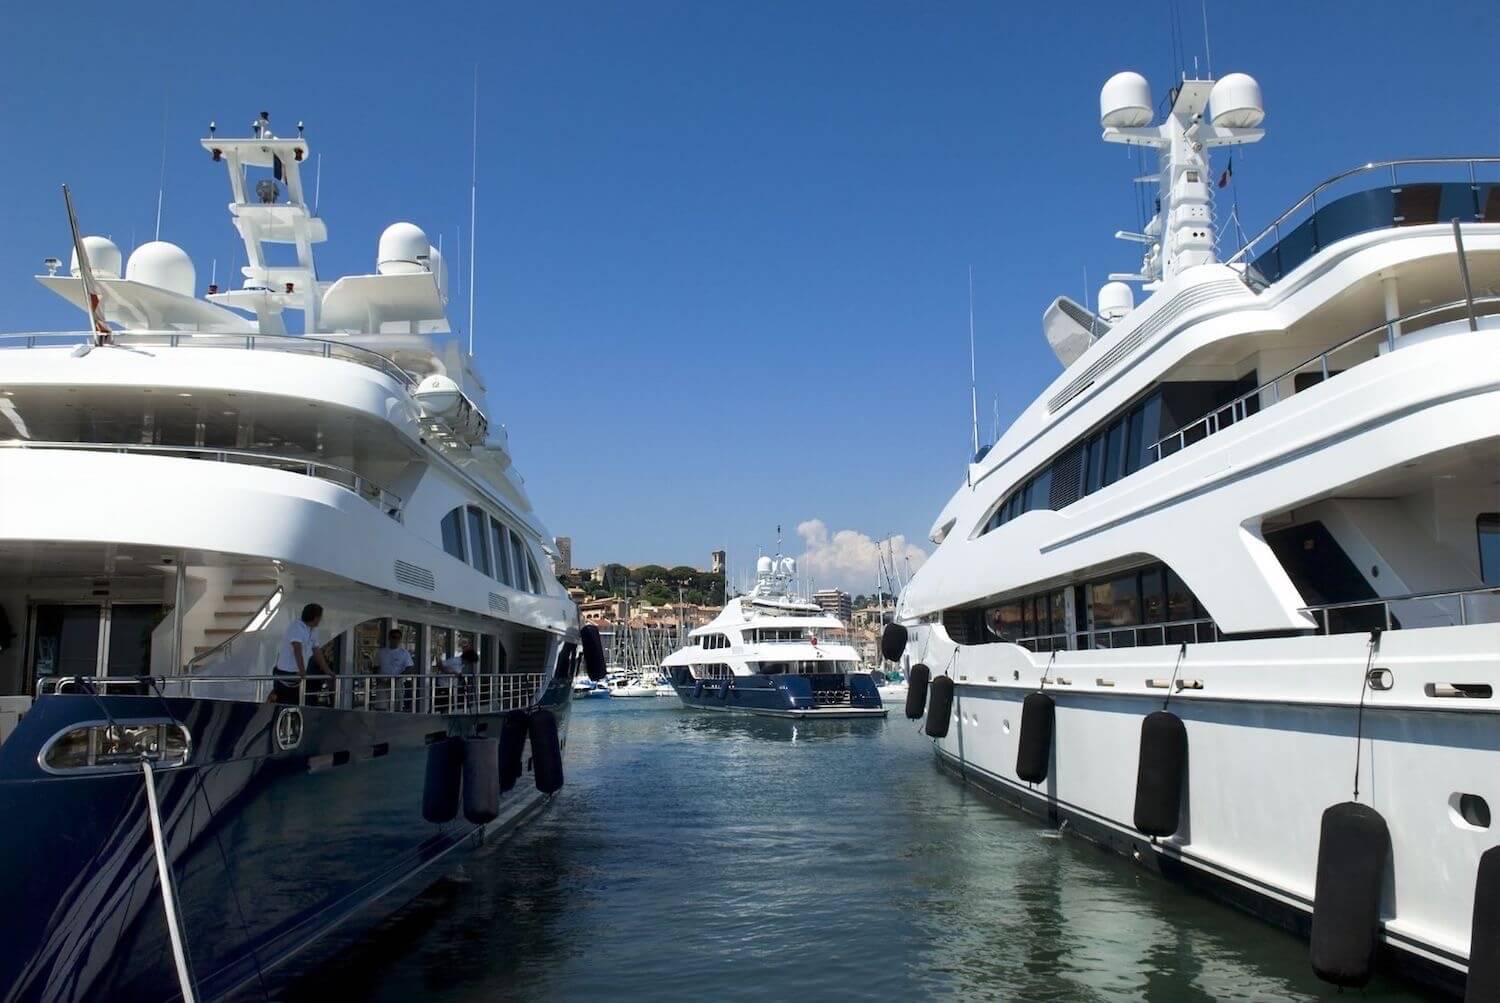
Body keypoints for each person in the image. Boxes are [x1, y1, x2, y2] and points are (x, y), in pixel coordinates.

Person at [271, 603, 333, 704]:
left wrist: (327, 670)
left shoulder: (313, 630)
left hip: (297, 674)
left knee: (296, 702)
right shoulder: (296, 627)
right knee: (286, 702)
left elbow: (317, 651)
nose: (321, 619)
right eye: (320, 617)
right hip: (286, 673)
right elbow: (297, 649)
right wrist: (302, 670)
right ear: (315, 617)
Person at [369, 628, 414, 710]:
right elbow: (375, 667)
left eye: (398, 638)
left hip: (397, 683)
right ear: (389, 638)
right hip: (382, 683)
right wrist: (378, 679)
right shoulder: (381, 652)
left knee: (397, 708)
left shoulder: (404, 653)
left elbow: (410, 668)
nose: (396, 640)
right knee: (380, 708)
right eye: (394, 637)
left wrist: (396, 678)